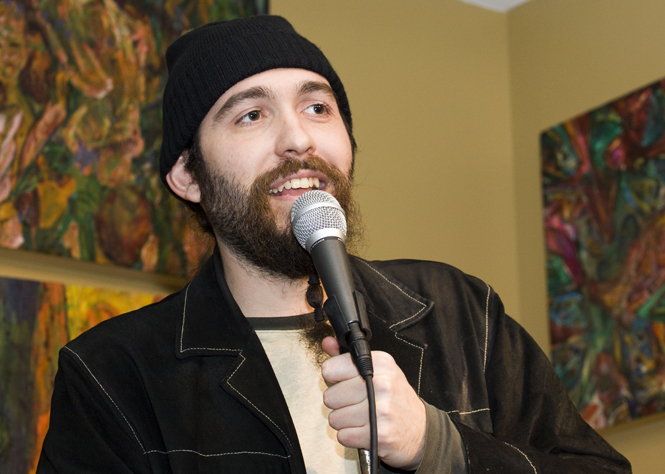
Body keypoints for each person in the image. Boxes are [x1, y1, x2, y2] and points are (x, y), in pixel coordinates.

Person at [37, 15, 631, 474]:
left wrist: (439, 445)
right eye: (250, 115)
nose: (298, 138)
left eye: (318, 107)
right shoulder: (114, 374)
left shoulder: (460, 313)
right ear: (188, 176)